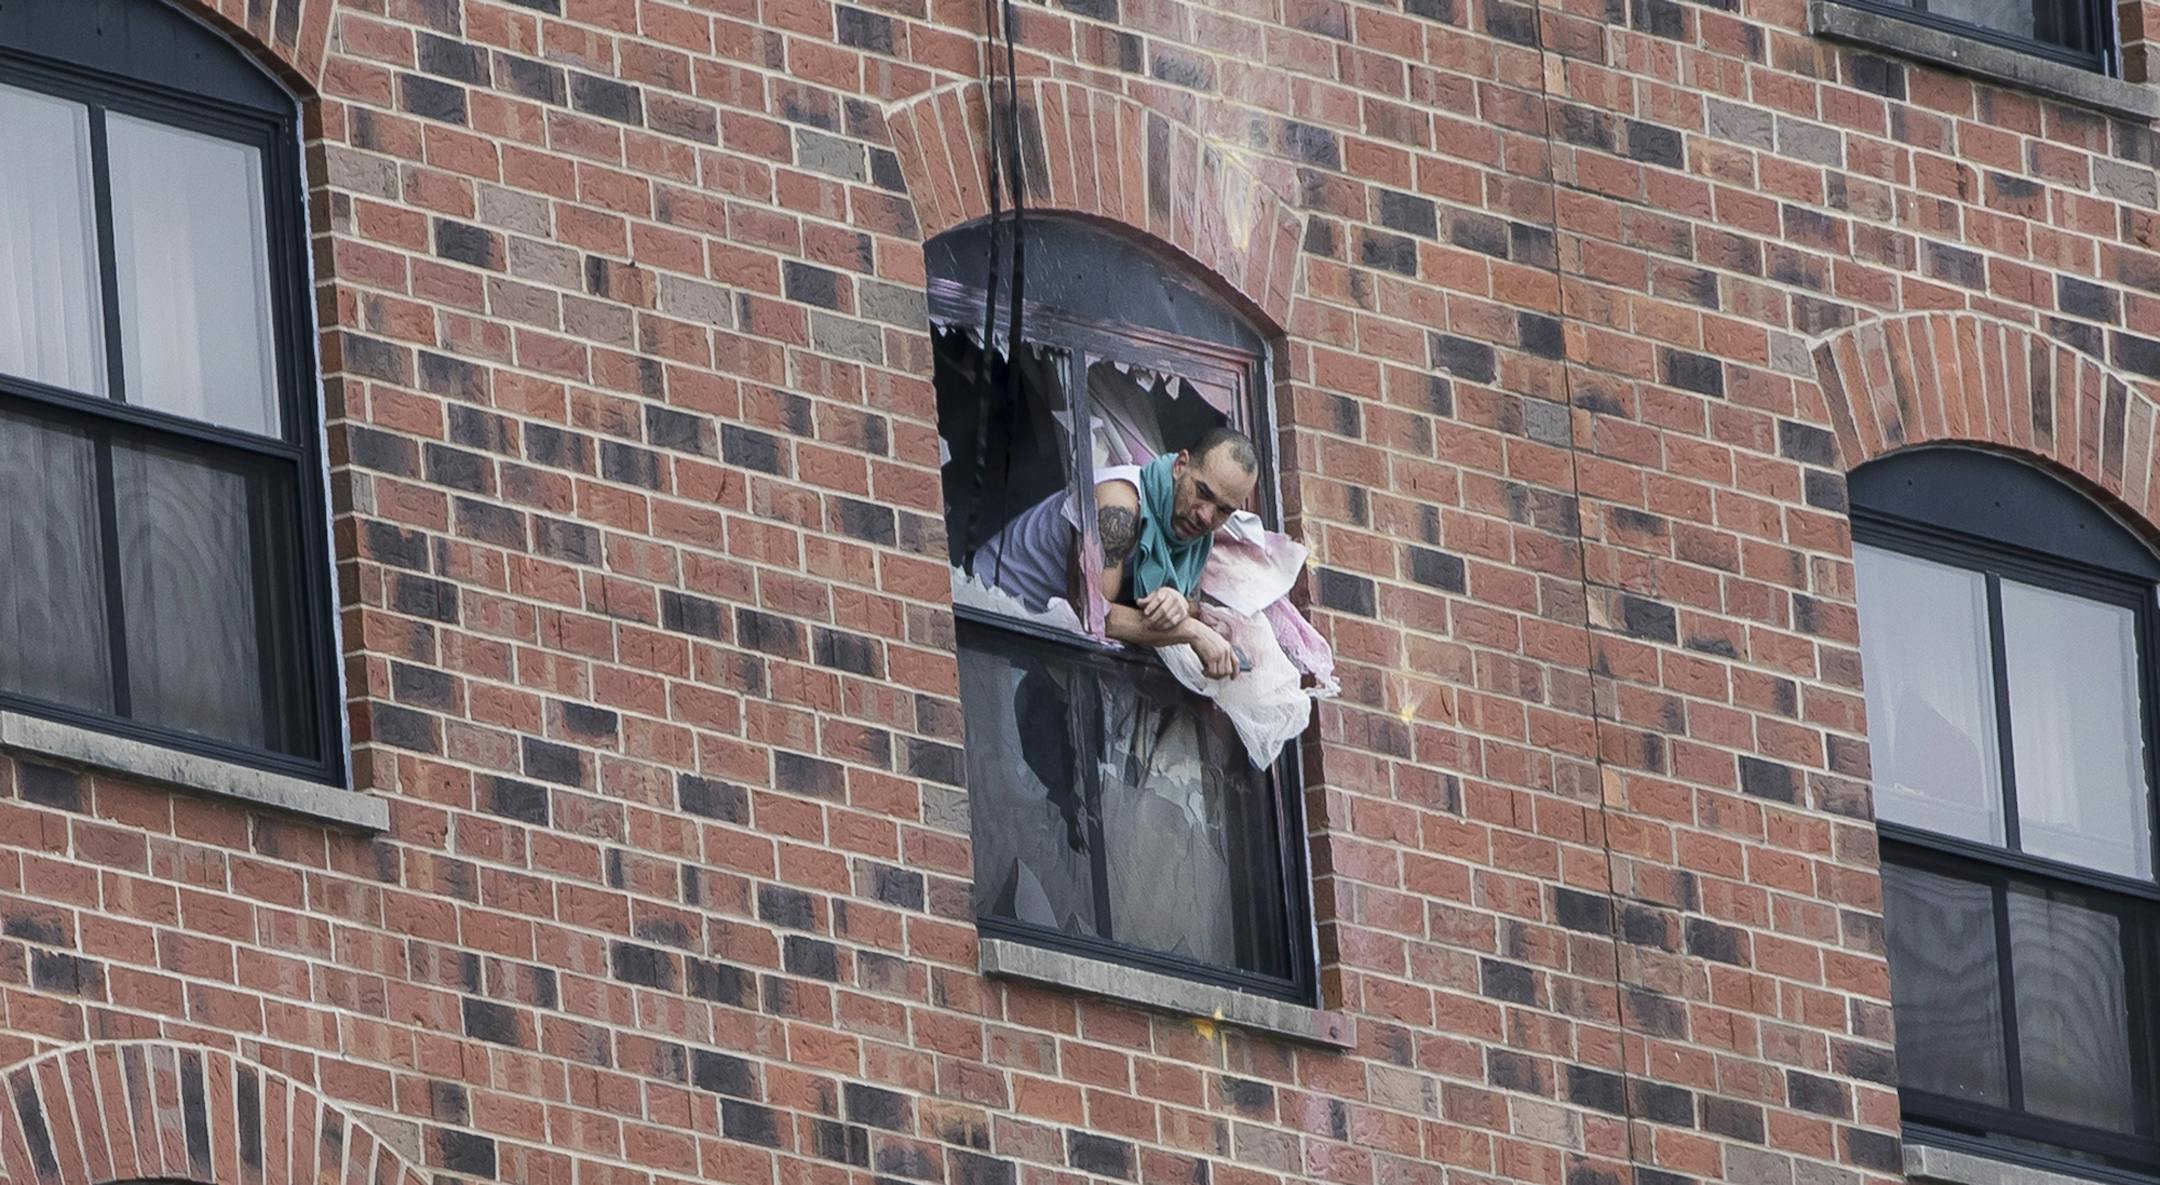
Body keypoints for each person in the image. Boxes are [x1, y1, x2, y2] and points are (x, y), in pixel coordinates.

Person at [973, 425, 1258, 679]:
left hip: (1047, 642)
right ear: (1180, 465)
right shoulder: (1118, 506)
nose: (1206, 516)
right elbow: (1094, 616)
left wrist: (1180, 604)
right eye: (1203, 492)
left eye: (1224, 510)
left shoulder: (1196, 534)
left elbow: (1188, 604)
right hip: (990, 615)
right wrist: (1190, 630)